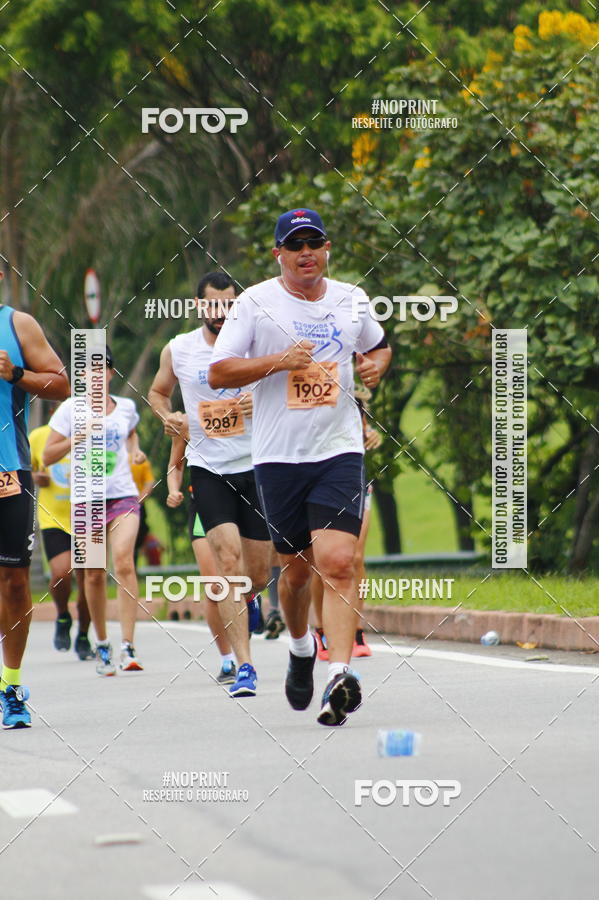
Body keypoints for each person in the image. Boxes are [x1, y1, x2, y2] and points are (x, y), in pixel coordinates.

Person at [209, 208, 391, 726]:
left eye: (315, 243)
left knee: (338, 561)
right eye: (295, 245)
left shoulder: (351, 298)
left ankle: (339, 674)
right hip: (278, 457)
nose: (306, 252)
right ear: (279, 254)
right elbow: (220, 371)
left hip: (339, 449)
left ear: (327, 248)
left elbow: (377, 347)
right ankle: (299, 647)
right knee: (294, 572)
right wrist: (278, 362)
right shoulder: (255, 303)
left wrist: (377, 366)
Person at [149, 271, 271, 698]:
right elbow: (158, 393)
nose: (222, 313)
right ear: (199, 305)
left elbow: (287, 385)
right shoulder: (179, 349)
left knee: (256, 573)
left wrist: (262, 400)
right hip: (208, 467)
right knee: (228, 562)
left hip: (258, 465)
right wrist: (170, 418)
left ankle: (251, 602)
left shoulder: (257, 343)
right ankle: (245, 666)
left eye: (230, 304)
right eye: (214, 305)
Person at [43, 346, 146, 676]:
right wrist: (77, 438)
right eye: (89, 370)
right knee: (93, 572)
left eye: (103, 369)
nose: (96, 375)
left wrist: (136, 450)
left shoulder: (126, 407)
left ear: (112, 374)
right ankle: (102, 643)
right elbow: (47, 456)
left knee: (125, 562)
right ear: (82, 376)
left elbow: (130, 433)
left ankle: (128, 645)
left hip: (122, 495)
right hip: (86, 498)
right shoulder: (69, 410)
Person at [0, 304, 70, 728]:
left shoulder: (17, 324)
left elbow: (62, 384)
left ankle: (11, 686)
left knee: (14, 580)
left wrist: (16, 375)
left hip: (9, 470)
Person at [312, 384, 384, 660]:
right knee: (323, 561)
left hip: (355, 478)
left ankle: (355, 628)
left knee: (355, 558)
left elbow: (363, 429)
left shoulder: (354, 398)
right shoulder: (309, 394)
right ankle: (322, 630)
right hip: (318, 480)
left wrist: (371, 434)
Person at [166, 433, 238, 684]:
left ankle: (250, 603)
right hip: (204, 503)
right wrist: (173, 489)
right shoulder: (189, 418)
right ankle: (227, 660)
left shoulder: (249, 404)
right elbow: (175, 463)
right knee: (214, 586)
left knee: (247, 578)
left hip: (244, 496)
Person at [29, 420, 93, 659]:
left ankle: (84, 635)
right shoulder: (39, 436)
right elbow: (27, 470)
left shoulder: (93, 430)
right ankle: (63, 614)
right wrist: (37, 477)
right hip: (53, 518)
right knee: (61, 573)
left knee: (90, 579)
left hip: (88, 517)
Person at [130, 454, 156, 567]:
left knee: (138, 537)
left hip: (137, 506)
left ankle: (132, 567)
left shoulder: (141, 460)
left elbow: (150, 483)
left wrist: (138, 501)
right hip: (114, 506)